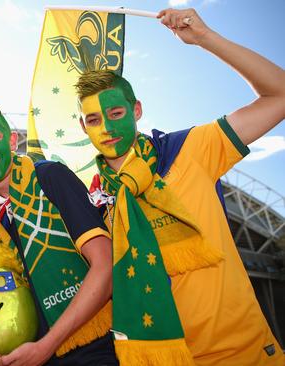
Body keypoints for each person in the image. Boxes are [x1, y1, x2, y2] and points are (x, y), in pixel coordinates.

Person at [76, 8, 285, 365]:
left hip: (243, 353)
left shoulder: (189, 149)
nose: (107, 127)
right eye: (94, 120)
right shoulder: (93, 199)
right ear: (82, 128)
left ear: (136, 110)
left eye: (115, 113)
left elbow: (278, 95)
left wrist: (205, 38)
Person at [0, 99, 116, 366]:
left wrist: (45, 346)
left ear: (12, 140)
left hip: (96, 349)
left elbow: (105, 265)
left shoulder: (50, 177)